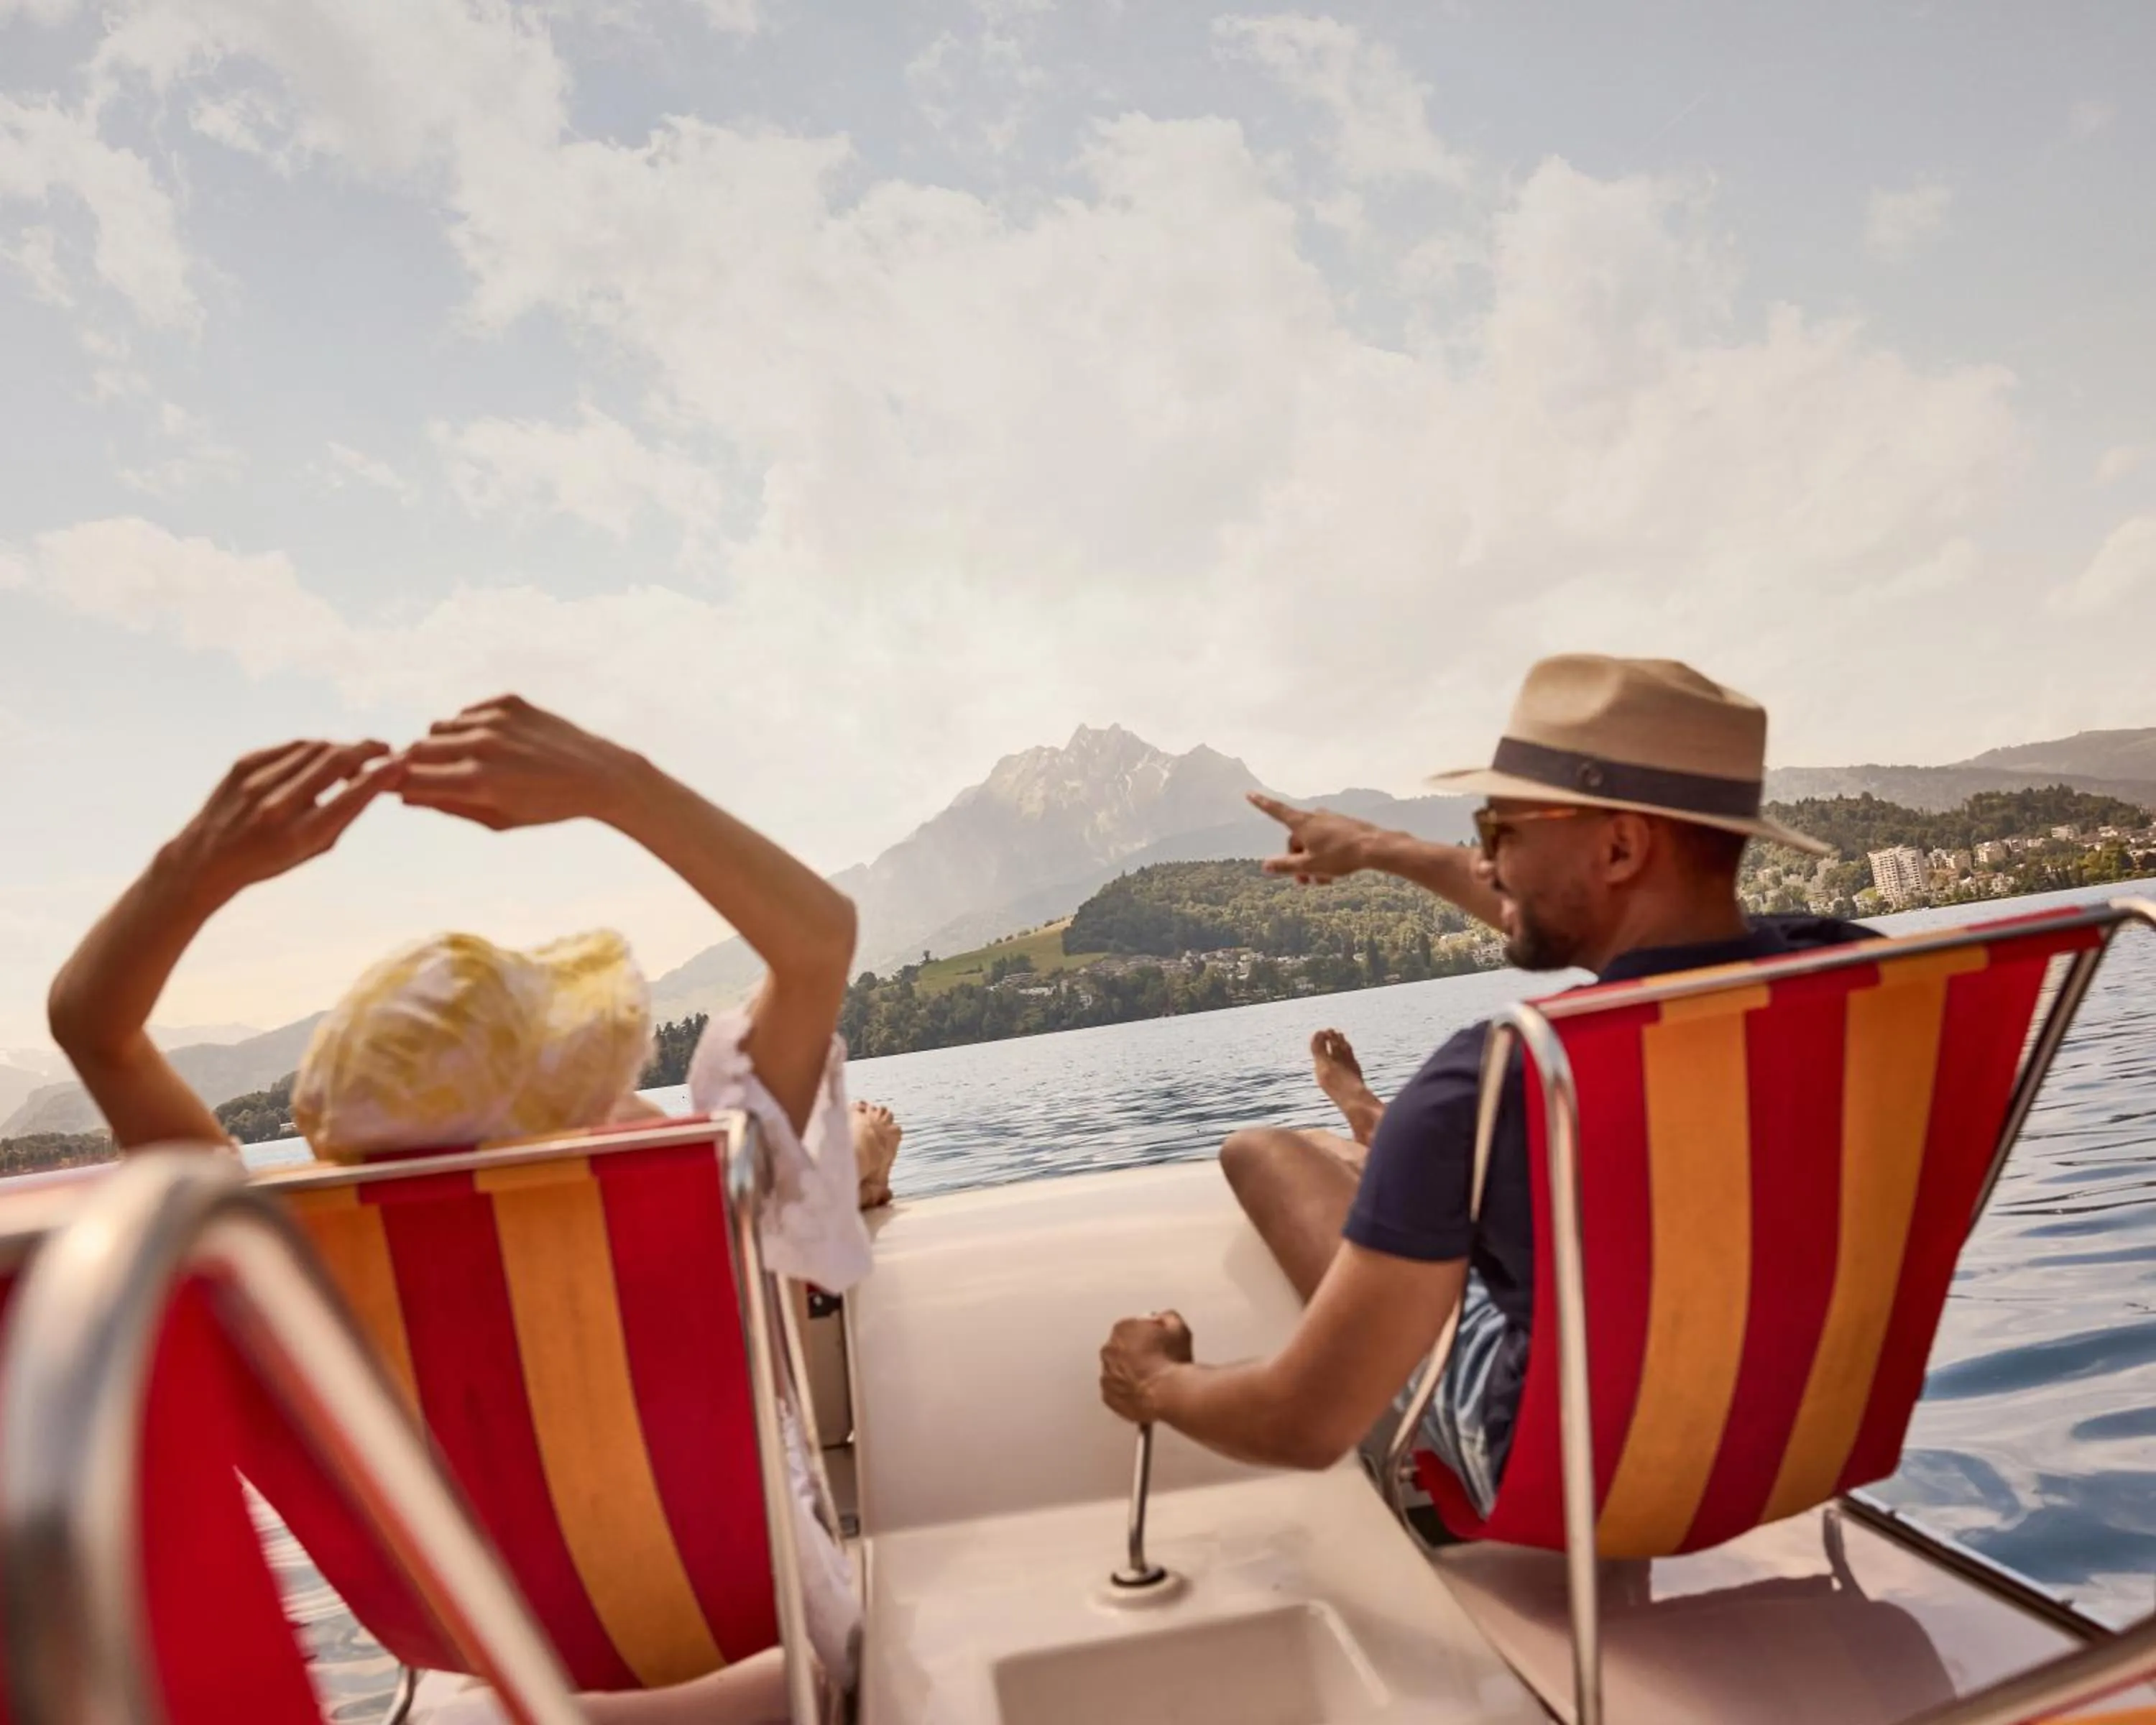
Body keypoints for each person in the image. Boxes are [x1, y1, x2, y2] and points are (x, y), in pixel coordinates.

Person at [47, 695, 880, 1725]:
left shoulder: (273, 1268)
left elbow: (93, 1027)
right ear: (576, 1109)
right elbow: (819, 940)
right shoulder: (696, 1186)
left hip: (494, 1675)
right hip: (766, 1668)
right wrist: (615, 782)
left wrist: (194, 870)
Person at [1099, 654, 1874, 1519]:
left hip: (1580, 1479)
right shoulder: (1862, 976)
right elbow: (1629, 927)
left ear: (1621, 847)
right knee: (1433, 1164)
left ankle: (1380, 1140)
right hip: (1804, 1440)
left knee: (1265, 1152)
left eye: (1501, 832)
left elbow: (1304, 1420)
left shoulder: (1494, 1080)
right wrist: (1380, 849)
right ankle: (1383, 1142)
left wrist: (1154, 1381)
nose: (1488, 864)